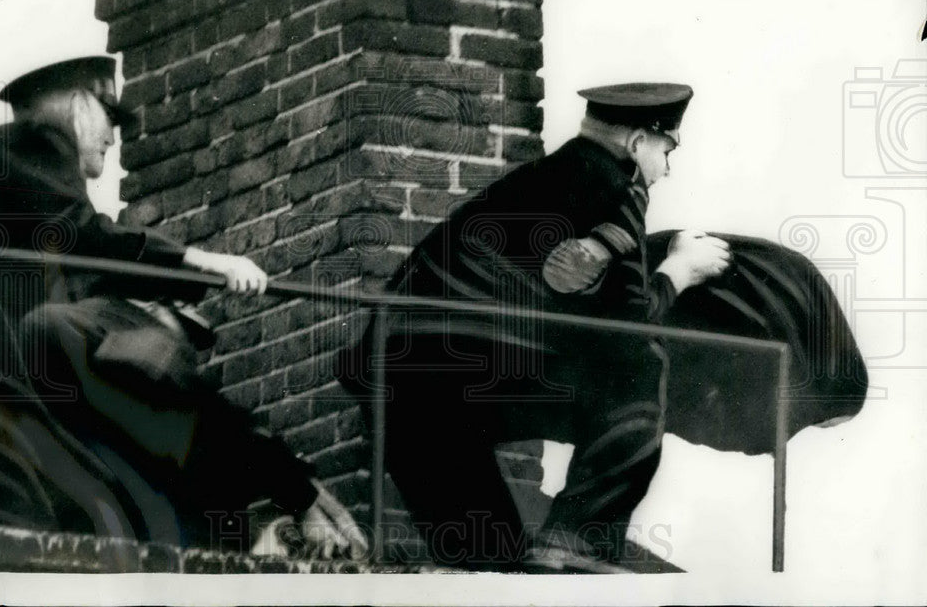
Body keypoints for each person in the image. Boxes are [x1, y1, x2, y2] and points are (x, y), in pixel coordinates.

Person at [338, 81, 867, 573]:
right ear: (639, 141)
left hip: (398, 387)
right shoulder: (614, 188)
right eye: (667, 151)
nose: (666, 169)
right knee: (640, 370)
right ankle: (577, 538)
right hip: (454, 369)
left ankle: (549, 553)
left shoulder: (551, 179)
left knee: (496, 568)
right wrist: (678, 271)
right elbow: (628, 329)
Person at [0, 56, 367, 559]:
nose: (112, 139)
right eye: (110, 118)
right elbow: (86, 233)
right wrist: (202, 260)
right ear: (81, 105)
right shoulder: (34, 141)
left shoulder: (19, 187)